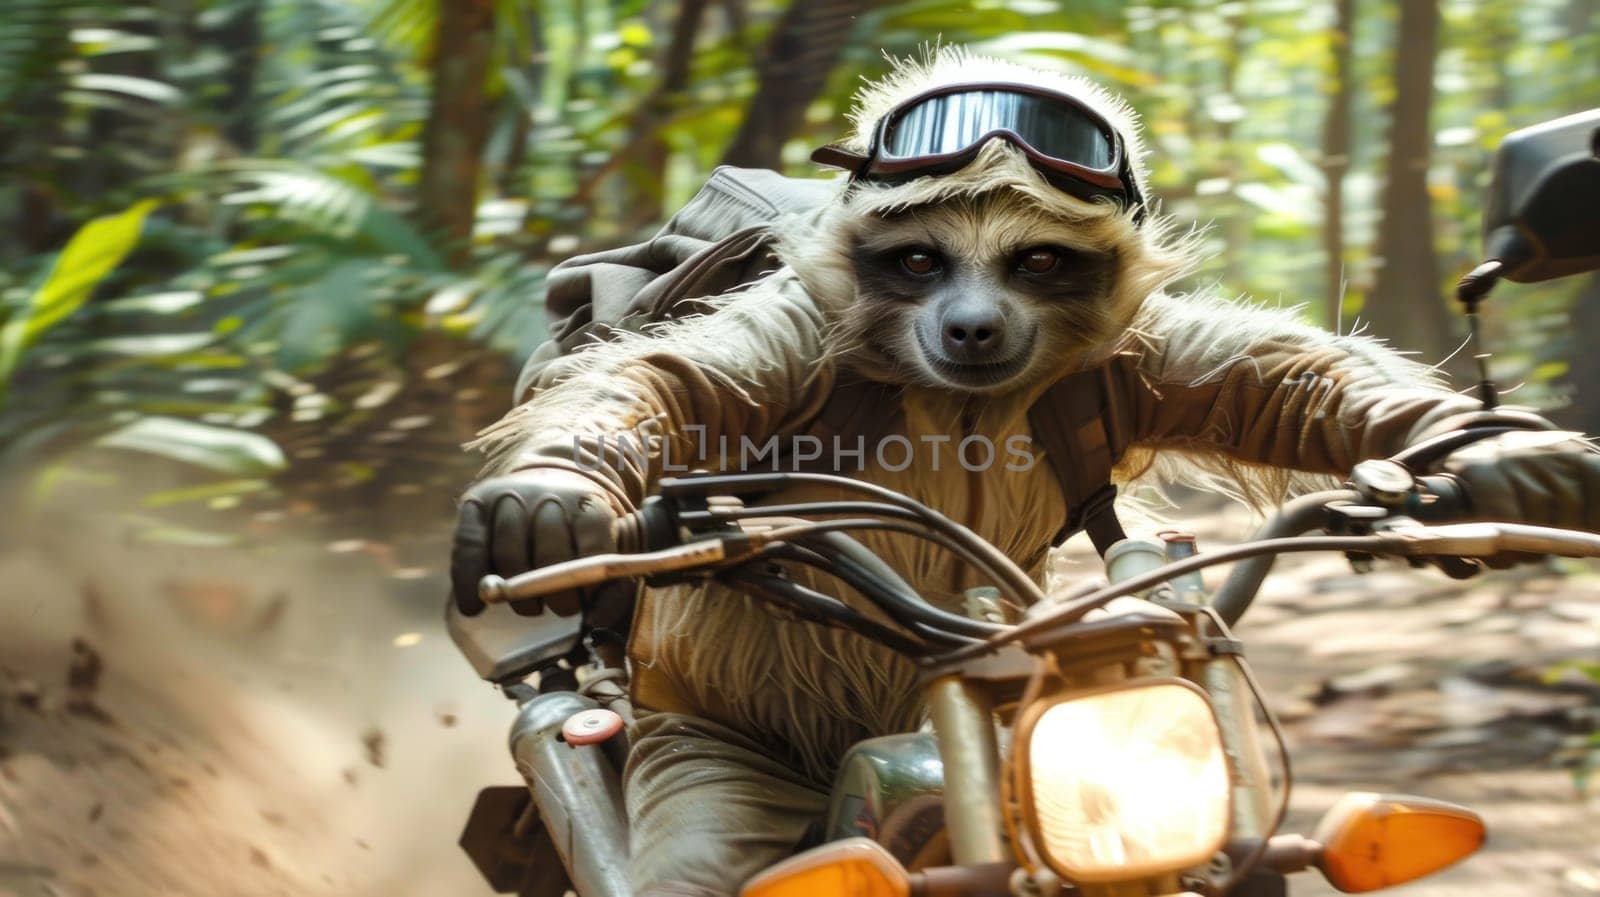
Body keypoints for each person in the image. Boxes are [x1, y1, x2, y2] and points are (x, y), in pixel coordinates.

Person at [450, 48, 1600, 897]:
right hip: (737, 737)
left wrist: (1474, 444)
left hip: (1017, 711)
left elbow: (1313, 381)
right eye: (916, 264)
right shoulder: (800, 326)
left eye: (1041, 265)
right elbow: (651, 390)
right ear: (851, 262)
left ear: (1117, 269)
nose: (972, 314)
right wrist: (567, 466)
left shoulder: (1129, 353)